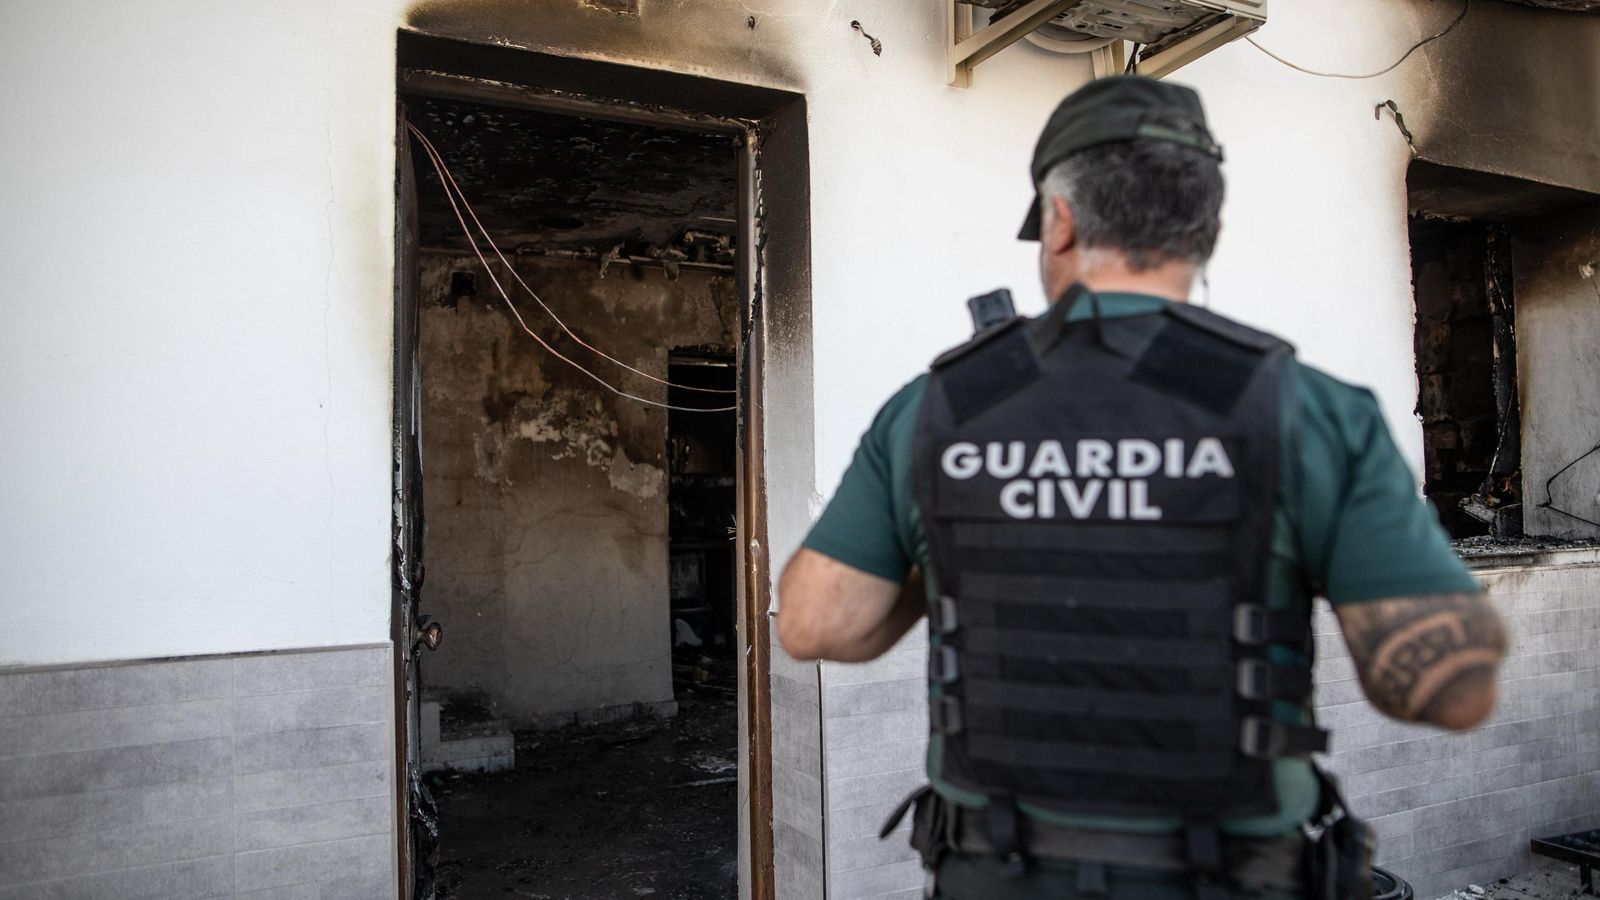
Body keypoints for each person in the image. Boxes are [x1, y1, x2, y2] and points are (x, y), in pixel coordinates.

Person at [776, 76, 1507, 900]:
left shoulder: (940, 407)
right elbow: (1453, 689)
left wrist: (963, 537)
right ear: (1208, 230)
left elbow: (813, 626)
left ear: (1059, 219)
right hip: (1232, 878)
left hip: (1000, 874)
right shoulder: (1303, 409)